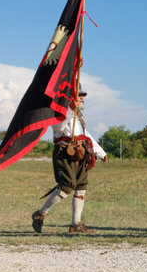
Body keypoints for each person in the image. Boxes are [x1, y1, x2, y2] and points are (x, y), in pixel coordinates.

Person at [32, 84, 107, 234]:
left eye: (82, 95)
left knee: (81, 187)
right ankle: (40, 214)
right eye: (79, 95)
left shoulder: (78, 114)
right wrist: (71, 110)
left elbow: (85, 134)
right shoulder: (59, 112)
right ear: (70, 97)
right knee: (67, 186)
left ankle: (76, 224)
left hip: (81, 152)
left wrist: (100, 152)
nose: (82, 98)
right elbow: (58, 127)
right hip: (65, 152)